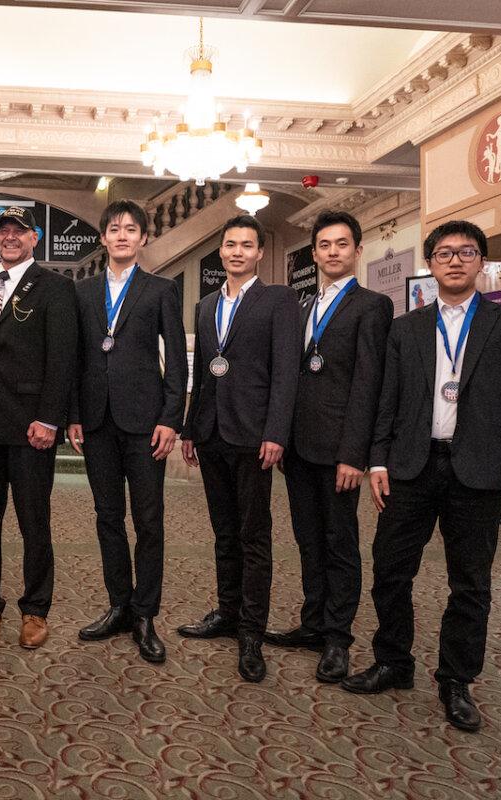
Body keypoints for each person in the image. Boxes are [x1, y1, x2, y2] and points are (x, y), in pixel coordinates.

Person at [342, 220, 501, 733]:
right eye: (444, 253)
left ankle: (456, 680)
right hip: (411, 467)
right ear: (430, 264)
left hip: (477, 471)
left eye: (466, 252)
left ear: (482, 262)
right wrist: (378, 460)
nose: (455, 260)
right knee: (390, 570)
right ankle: (393, 661)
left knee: (471, 583)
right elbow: (387, 400)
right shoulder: (406, 328)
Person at [265, 210, 393, 684]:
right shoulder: (302, 307)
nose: (333, 251)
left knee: (340, 543)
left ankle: (338, 638)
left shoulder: (372, 306)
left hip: (340, 451)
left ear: (357, 250)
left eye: (341, 244)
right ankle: (313, 622)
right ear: (314, 253)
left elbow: (368, 384)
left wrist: (354, 454)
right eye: (324, 245)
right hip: (299, 447)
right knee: (308, 538)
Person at [178, 214, 300, 683]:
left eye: (246, 245)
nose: (237, 252)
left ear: (259, 253)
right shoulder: (206, 304)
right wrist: (191, 428)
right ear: (221, 250)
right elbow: (205, 372)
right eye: (230, 244)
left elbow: (286, 371)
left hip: (254, 436)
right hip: (211, 433)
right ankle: (228, 613)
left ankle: (252, 630)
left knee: (254, 536)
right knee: (223, 532)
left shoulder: (279, 300)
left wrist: (277, 432)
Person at [67, 200, 186, 664]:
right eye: (114, 229)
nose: (122, 236)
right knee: (107, 517)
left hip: (146, 423)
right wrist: (74, 414)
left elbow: (177, 361)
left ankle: (145, 615)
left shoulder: (161, 289)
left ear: (143, 238)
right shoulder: (82, 291)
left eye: (131, 229)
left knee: (149, 520)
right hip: (96, 421)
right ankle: (119, 604)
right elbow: (76, 358)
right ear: (103, 238)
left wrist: (171, 418)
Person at [0, 206, 76, 650]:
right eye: (3, 231)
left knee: (35, 524)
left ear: (35, 238)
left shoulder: (55, 288)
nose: (10, 237)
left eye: (19, 231)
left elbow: (62, 358)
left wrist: (49, 419)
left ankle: (35, 610)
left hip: (31, 429)